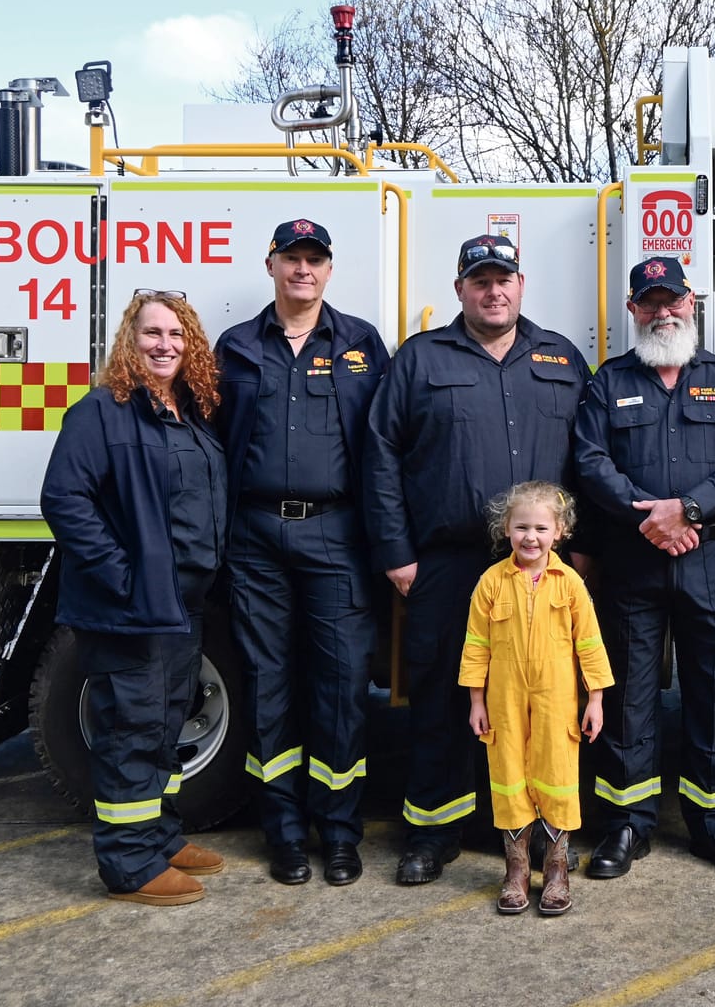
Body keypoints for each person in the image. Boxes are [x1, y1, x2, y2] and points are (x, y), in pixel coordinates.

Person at [365, 234, 590, 885]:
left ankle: (529, 830)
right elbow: (380, 454)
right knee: (442, 698)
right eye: (480, 280)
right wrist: (397, 552)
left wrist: (586, 553)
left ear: (522, 285)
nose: (494, 290)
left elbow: (591, 458)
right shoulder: (420, 358)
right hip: (449, 564)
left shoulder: (561, 357)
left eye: (505, 278)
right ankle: (434, 832)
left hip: (541, 572)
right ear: (461, 288)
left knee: (538, 707)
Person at [572, 257, 715, 880]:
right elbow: (591, 462)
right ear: (632, 309)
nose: (663, 312)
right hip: (632, 561)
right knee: (628, 695)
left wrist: (689, 511)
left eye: (672, 299)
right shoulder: (608, 381)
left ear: (692, 302)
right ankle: (626, 825)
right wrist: (649, 519)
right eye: (649, 302)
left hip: (707, 557)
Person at [214, 219, 390, 888]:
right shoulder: (234, 348)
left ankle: (340, 834)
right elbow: (211, 445)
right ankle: (284, 833)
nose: (303, 270)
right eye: (292, 258)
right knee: (267, 687)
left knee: (341, 687)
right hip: (256, 538)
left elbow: (384, 446)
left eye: (315, 259)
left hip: (337, 536)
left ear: (328, 269)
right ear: (271, 265)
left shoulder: (361, 345)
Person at [40, 290, 228, 906]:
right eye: (152, 333)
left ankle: (159, 836)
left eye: (176, 334)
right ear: (130, 341)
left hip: (184, 603)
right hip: (132, 607)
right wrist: (120, 578)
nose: (165, 344)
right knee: (132, 728)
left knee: (166, 723)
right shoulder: (102, 412)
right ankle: (127, 865)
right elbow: (65, 500)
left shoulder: (188, 412)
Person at [460, 482, 615, 915]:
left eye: (541, 528)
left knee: (558, 779)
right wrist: (477, 701)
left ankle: (557, 871)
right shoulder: (491, 583)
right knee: (508, 779)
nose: (531, 537)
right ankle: (515, 873)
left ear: (560, 531)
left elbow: (590, 644)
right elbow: (477, 646)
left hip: (558, 702)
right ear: (505, 529)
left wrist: (595, 699)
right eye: (521, 527)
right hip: (504, 702)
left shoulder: (570, 585)